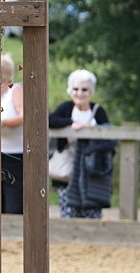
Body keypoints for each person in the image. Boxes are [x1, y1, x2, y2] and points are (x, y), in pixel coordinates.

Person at [48, 69, 113, 219]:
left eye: (85, 89)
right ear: (70, 90)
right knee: (68, 212)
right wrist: (71, 123)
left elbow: (109, 134)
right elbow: (50, 120)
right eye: (75, 89)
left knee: (92, 213)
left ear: (91, 91)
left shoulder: (98, 111)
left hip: (92, 170)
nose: (80, 93)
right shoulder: (66, 108)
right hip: (68, 172)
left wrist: (93, 131)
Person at [0, 53, 25, 215]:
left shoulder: (15, 90)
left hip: (14, 155)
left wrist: (1, 123)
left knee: (14, 201)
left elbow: (23, 115)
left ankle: (14, 235)